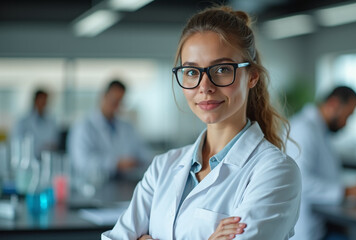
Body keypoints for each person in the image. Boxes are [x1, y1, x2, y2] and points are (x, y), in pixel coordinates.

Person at [102, 6, 301, 240]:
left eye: (222, 69)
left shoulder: (274, 172)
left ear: (252, 76)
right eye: (191, 72)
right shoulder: (163, 166)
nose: (204, 86)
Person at [285, 86, 356, 240]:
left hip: (320, 223)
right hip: (304, 230)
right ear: (334, 104)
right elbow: (301, 182)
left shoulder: (319, 130)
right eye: (347, 116)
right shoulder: (303, 130)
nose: (346, 123)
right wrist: (346, 192)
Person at [67, 80, 153, 181]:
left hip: (124, 185)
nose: (116, 106)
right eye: (114, 101)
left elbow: (143, 153)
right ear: (103, 96)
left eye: (120, 102)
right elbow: (81, 162)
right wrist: (115, 164)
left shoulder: (127, 127)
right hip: (94, 185)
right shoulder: (83, 127)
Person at [11, 89, 59, 157]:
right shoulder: (23, 121)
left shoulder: (51, 121)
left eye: (45, 100)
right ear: (35, 100)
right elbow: (17, 142)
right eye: (41, 100)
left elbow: (54, 142)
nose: (44, 103)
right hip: (28, 158)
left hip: (47, 158)